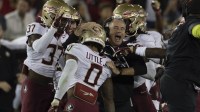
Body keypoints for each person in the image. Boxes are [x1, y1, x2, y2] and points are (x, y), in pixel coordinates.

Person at [49, 22, 117, 112]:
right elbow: (109, 100)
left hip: (76, 103)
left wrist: (57, 100)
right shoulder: (107, 62)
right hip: (93, 107)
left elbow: (68, 72)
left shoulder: (77, 48)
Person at [20, 0, 73, 112]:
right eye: (62, 20)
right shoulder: (36, 27)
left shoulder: (64, 36)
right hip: (34, 84)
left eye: (66, 21)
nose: (64, 24)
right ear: (50, 16)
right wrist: (53, 28)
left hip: (51, 87)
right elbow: (38, 47)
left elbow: (64, 64)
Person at [160, 0, 200, 112]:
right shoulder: (193, 23)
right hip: (180, 84)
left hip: (176, 81)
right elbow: (196, 29)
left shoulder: (183, 26)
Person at [102, 16, 147, 112]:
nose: (119, 31)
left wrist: (119, 71)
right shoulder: (99, 48)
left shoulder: (128, 49)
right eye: (115, 28)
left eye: (122, 29)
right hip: (102, 103)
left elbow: (142, 68)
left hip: (124, 103)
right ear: (107, 31)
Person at [0, 17, 18, 112]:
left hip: (8, 99)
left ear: (2, 32)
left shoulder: (9, 52)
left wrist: (19, 76)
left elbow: (15, 72)